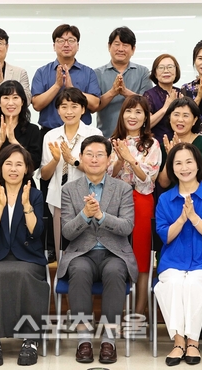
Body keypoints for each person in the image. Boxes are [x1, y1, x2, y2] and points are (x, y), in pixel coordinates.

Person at [58, 135, 138, 364]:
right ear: (81, 157)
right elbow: (67, 232)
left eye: (100, 155)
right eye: (89, 154)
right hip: (81, 253)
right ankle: (83, 339)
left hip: (114, 252)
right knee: (79, 270)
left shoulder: (123, 189)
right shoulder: (69, 189)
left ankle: (108, 340)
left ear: (109, 159)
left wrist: (101, 216)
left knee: (115, 271)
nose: (94, 159)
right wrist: (85, 215)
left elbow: (127, 226)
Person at [154, 143, 202, 366]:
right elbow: (165, 236)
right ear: (172, 168)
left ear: (198, 165)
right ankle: (178, 342)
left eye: (189, 162)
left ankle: (193, 342)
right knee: (172, 284)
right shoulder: (165, 199)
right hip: (173, 260)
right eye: (178, 163)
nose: (184, 168)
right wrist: (182, 219)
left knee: (193, 284)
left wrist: (193, 217)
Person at [0, 145, 48, 366]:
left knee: (25, 274)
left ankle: (30, 340)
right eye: (8, 164)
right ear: (1, 167)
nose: (13, 169)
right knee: (0, 274)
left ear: (27, 168)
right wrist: (0, 206)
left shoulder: (35, 195)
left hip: (28, 257)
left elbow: (36, 232)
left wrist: (27, 206)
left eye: (19, 164)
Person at [108, 95, 161, 317]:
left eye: (139, 112)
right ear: (122, 115)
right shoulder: (112, 142)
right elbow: (108, 175)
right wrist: (120, 159)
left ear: (146, 117)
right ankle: (118, 311)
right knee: (116, 255)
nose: (133, 116)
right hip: (116, 201)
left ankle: (139, 312)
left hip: (141, 200)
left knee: (141, 256)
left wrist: (130, 158)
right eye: (129, 111)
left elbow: (148, 178)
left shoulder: (152, 144)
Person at [40, 88, 102, 259]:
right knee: (62, 250)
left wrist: (72, 160)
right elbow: (44, 175)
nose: (69, 112)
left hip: (88, 198)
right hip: (58, 198)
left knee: (87, 251)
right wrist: (55, 160)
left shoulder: (94, 134)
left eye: (74, 106)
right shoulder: (51, 136)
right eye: (64, 107)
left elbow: (98, 169)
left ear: (83, 109)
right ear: (58, 110)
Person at [0, 80, 41, 210]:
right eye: (6, 98)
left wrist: (13, 140)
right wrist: (0, 141)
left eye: (15, 98)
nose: (10, 103)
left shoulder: (33, 130)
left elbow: (34, 163)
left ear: (22, 102)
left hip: (24, 188)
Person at [31, 24, 101, 135]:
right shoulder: (42, 72)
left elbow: (95, 105)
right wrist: (57, 86)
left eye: (71, 40)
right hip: (49, 132)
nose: (66, 44)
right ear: (54, 46)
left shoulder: (88, 73)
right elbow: (36, 105)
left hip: (82, 134)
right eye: (61, 40)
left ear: (78, 45)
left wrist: (72, 88)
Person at [94, 27, 152, 138]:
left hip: (137, 138)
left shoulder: (143, 72)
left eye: (125, 45)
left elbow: (148, 105)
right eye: (117, 44)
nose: (120, 49)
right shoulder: (97, 74)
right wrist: (113, 92)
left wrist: (125, 92)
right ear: (109, 46)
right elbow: (93, 107)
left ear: (133, 49)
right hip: (106, 137)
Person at [157, 98, 202, 189]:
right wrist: (170, 156)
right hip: (173, 196)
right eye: (176, 114)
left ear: (194, 120)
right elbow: (163, 183)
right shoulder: (164, 145)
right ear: (169, 118)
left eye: (185, 115)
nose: (180, 119)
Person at [143, 54, 182, 143]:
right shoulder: (149, 95)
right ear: (155, 73)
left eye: (170, 67)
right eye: (161, 68)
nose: (166, 71)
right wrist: (165, 108)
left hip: (180, 143)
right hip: (157, 144)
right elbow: (145, 124)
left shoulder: (181, 92)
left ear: (176, 71)